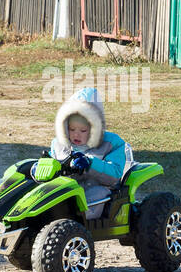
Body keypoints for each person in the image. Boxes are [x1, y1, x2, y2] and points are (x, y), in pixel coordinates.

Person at [42, 87, 133, 219]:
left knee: (98, 193)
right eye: (72, 129)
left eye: (83, 130)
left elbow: (114, 175)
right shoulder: (59, 144)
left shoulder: (111, 143)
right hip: (68, 189)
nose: (76, 134)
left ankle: (77, 220)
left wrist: (90, 164)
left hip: (98, 188)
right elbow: (52, 162)